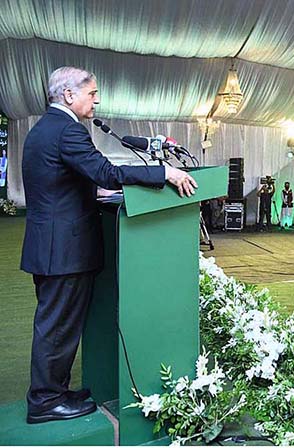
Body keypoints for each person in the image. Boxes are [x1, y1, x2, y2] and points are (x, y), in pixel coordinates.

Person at [21, 66, 197, 423]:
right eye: (92, 92)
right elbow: (106, 172)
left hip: (54, 246)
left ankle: (56, 391)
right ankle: (44, 401)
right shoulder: (67, 130)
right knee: (56, 327)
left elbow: (66, 181)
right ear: (69, 95)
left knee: (61, 325)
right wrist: (164, 173)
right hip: (63, 250)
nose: (96, 99)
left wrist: (93, 190)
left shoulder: (46, 129)